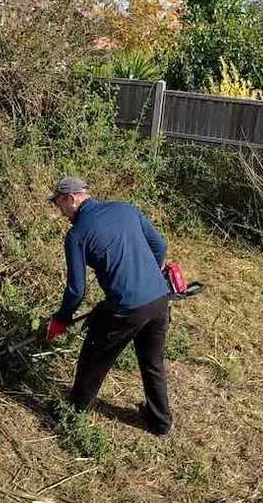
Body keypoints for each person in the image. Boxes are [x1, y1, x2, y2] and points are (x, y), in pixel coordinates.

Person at [46, 176, 174, 435]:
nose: (61, 212)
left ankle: (74, 412)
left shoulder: (77, 235)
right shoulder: (124, 208)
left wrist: (61, 319)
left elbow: (76, 290)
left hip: (126, 309)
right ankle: (160, 423)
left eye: (60, 205)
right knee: (152, 362)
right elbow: (160, 244)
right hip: (160, 298)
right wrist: (150, 275)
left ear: (71, 198)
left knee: (93, 357)